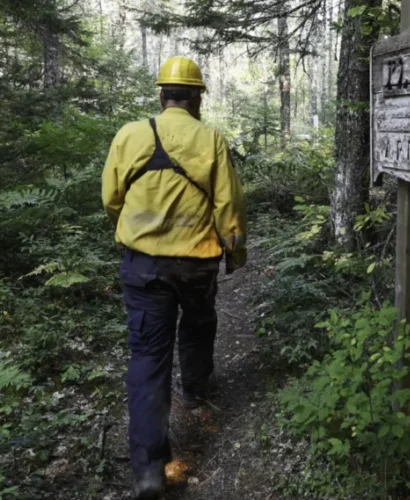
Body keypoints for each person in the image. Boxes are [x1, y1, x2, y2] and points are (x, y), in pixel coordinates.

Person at [101, 56, 248, 500]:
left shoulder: (129, 135)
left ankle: (148, 469)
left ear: (161, 94)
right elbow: (229, 206)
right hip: (197, 263)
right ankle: (197, 389)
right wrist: (234, 251)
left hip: (143, 265)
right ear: (197, 97)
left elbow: (111, 197)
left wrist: (135, 231)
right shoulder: (211, 139)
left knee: (147, 358)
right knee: (199, 323)